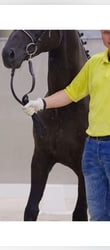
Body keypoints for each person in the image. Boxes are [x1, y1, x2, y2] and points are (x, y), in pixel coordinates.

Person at [22, 30, 110, 221]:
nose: (109, 38)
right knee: (98, 215)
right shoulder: (94, 63)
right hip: (92, 150)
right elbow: (71, 92)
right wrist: (41, 103)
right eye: (106, 33)